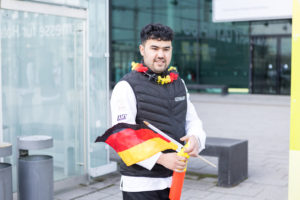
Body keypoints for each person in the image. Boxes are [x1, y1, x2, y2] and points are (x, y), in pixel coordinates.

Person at [110, 23, 206, 200]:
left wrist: (196, 139)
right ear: (142, 49)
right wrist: (160, 158)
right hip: (140, 184)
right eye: (154, 48)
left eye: (166, 49)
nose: (161, 55)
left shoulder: (180, 84)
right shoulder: (125, 86)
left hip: (174, 181)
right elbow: (122, 137)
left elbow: (193, 122)